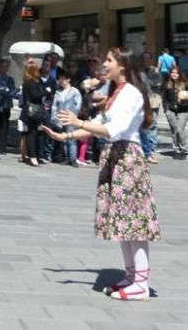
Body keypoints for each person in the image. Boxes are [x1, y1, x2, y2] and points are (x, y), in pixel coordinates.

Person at [43, 47, 161, 301]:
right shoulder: (116, 92)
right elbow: (102, 124)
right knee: (122, 224)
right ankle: (131, 277)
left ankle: (141, 283)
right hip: (116, 158)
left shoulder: (131, 93)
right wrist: (67, 135)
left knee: (134, 225)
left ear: (123, 65)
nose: (104, 65)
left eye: (109, 61)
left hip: (127, 158)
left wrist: (78, 123)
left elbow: (114, 129)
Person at [21, 58, 47, 167]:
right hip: (32, 110)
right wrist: (46, 92)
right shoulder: (30, 82)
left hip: (34, 110)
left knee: (36, 133)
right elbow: (35, 96)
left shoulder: (33, 81)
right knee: (32, 133)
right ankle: (33, 156)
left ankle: (35, 155)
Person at [53, 69, 83, 167]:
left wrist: (74, 115)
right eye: (60, 79)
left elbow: (78, 104)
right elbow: (54, 105)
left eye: (63, 79)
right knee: (64, 138)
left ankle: (73, 159)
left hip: (71, 117)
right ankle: (66, 157)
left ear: (68, 80)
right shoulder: (58, 92)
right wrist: (54, 117)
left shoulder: (74, 91)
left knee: (72, 137)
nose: (61, 81)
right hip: (61, 117)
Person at [140, 51, 162, 165]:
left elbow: (158, 83)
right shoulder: (139, 71)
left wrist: (147, 81)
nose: (145, 61)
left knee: (152, 125)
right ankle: (145, 149)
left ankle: (152, 148)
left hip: (153, 100)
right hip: (142, 101)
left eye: (147, 58)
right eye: (143, 58)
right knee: (142, 125)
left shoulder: (155, 71)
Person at [162, 65, 188, 158]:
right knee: (174, 130)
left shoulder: (185, 83)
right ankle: (176, 149)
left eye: (176, 73)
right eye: (172, 72)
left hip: (183, 110)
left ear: (180, 74)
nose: (174, 74)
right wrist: (166, 109)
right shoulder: (167, 84)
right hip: (171, 110)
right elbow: (164, 98)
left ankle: (183, 148)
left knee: (179, 129)